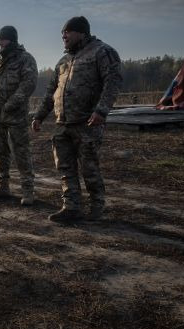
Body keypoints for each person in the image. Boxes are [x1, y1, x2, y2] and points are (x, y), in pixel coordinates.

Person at [32, 16, 122, 222]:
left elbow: (113, 82)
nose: (63, 35)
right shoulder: (62, 61)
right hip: (62, 124)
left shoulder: (102, 52)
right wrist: (39, 116)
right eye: (62, 32)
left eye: (68, 31)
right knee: (64, 168)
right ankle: (71, 206)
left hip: (87, 123)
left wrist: (101, 111)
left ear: (82, 32)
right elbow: (50, 92)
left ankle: (97, 206)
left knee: (89, 167)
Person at [0, 25, 38, 205]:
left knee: (21, 152)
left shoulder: (25, 59)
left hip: (16, 117)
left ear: (12, 40)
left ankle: (28, 190)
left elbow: (28, 84)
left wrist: (11, 104)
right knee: (0, 153)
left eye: (3, 39)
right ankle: (3, 186)